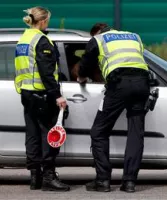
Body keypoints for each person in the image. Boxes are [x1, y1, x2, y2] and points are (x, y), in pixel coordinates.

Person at [77, 23, 150, 193]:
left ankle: (103, 181)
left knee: (99, 131)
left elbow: (86, 61)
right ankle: (130, 182)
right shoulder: (134, 36)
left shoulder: (98, 39)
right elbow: (138, 60)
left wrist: (82, 77)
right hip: (142, 84)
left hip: (119, 85)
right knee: (135, 132)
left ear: (96, 32)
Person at [14, 6, 70, 191]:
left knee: (32, 136)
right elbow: (47, 73)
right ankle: (48, 177)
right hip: (42, 94)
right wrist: (58, 96)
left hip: (27, 94)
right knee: (49, 135)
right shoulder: (42, 40)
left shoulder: (24, 39)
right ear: (44, 20)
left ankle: (34, 177)